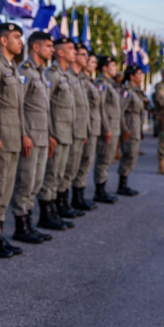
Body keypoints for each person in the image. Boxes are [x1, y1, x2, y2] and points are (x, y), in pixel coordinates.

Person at [0, 23, 32, 257]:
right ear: (3, 41)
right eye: (16, 37)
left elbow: (18, 107)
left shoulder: (12, 68)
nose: (20, 41)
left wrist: (22, 134)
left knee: (5, 191)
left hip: (12, 140)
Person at [10, 31, 55, 244]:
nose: (52, 50)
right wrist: (23, 134)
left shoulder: (41, 72)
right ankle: (21, 227)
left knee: (36, 183)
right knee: (26, 183)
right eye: (48, 46)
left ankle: (28, 223)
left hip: (42, 137)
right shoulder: (25, 71)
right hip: (30, 137)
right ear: (36, 47)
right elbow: (18, 105)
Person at [37, 37, 75, 231]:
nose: (74, 53)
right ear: (61, 52)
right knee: (51, 175)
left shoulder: (64, 74)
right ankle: (45, 215)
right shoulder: (52, 74)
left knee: (58, 174)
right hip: (55, 134)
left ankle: (53, 212)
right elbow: (46, 105)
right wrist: (49, 134)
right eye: (71, 49)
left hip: (66, 132)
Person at [57, 44, 90, 220]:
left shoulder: (76, 78)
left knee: (71, 169)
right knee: (62, 170)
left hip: (76, 130)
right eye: (80, 53)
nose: (82, 57)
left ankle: (65, 203)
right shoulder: (64, 76)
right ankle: (59, 206)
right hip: (65, 131)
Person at [71, 50, 106, 209]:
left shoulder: (89, 81)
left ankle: (80, 196)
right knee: (80, 162)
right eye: (89, 60)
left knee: (87, 161)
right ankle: (76, 197)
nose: (90, 63)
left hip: (91, 125)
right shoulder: (80, 80)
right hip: (84, 126)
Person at [92, 56, 120, 203]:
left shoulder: (111, 84)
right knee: (103, 160)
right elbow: (100, 107)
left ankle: (103, 187)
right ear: (104, 68)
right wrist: (106, 129)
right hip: (107, 127)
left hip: (114, 127)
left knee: (108, 160)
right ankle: (99, 190)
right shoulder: (101, 84)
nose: (115, 68)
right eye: (113, 65)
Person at [116, 65, 144, 196]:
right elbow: (120, 111)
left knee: (133, 155)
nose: (141, 76)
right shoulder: (126, 91)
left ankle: (124, 183)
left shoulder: (137, 91)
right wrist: (124, 129)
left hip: (136, 127)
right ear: (131, 76)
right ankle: (121, 185)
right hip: (130, 127)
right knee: (129, 155)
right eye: (139, 73)